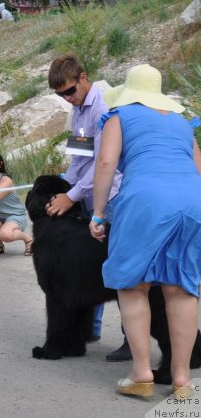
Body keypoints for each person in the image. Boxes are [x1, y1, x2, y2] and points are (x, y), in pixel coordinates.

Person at [89, 64, 201, 399]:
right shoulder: (182, 122)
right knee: (182, 287)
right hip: (193, 199)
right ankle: (181, 379)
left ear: (128, 92)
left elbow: (106, 163)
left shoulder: (119, 115)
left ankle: (141, 374)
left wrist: (98, 213)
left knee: (133, 285)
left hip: (146, 200)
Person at [47, 53, 126, 355]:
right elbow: (79, 158)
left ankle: (131, 339)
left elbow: (105, 163)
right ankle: (89, 328)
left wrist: (71, 195)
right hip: (89, 197)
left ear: (83, 77)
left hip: (112, 198)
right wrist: (64, 186)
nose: (67, 98)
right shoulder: (78, 112)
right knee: (90, 265)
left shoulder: (102, 108)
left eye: (70, 90)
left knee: (120, 268)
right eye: (60, 94)